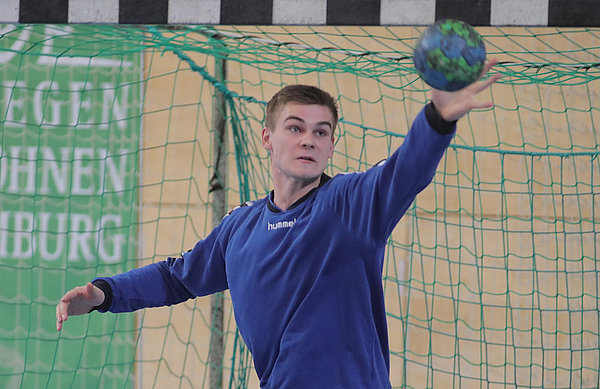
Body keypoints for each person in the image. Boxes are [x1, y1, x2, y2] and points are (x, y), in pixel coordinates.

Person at [57, 60, 500, 388]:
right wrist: (104, 293)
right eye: (295, 127)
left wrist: (437, 120)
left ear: (330, 147)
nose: (309, 138)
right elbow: (177, 278)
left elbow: (405, 172)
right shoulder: (240, 227)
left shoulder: (349, 204)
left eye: (322, 132)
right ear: (268, 138)